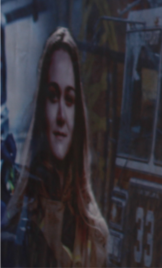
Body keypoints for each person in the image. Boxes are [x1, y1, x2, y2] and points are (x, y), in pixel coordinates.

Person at [1, 27, 109, 267]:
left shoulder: (95, 233)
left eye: (69, 100)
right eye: (52, 96)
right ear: (41, 108)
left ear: (77, 114)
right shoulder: (16, 219)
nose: (61, 115)